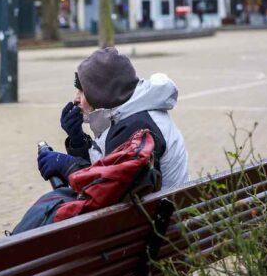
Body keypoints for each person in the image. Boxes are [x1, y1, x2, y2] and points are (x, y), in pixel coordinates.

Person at [37, 47, 189, 190]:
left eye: (83, 91)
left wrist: (69, 166)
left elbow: (109, 190)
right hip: (160, 208)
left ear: (102, 94)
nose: (76, 99)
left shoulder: (135, 127)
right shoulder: (130, 115)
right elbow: (108, 168)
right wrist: (78, 142)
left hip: (153, 216)